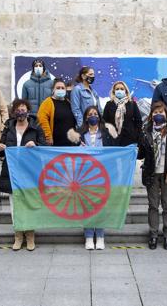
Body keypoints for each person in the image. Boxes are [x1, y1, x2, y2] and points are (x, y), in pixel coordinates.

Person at [0, 99, 47, 251]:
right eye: (18, 109)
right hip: (12, 171)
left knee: (29, 204)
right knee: (15, 206)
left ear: (28, 110)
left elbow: (44, 147)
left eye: (23, 108)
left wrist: (36, 145)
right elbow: (1, 147)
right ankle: (18, 236)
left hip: (29, 172)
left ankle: (30, 235)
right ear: (14, 112)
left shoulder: (36, 126)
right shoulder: (8, 126)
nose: (21, 111)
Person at [68, 106, 118, 250]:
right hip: (85, 175)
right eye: (90, 114)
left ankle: (100, 236)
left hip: (102, 174)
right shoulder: (79, 134)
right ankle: (89, 236)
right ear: (86, 117)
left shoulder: (107, 132)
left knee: (101, 205)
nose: (93, 116)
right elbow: (72, 154)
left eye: (95, 114)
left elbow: (113, 151)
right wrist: (78, 147)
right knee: (87, 206)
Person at [137, 101, 167, 250]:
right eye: (155, 113)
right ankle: (153, 234)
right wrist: (135, 148)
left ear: (166, 114)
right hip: (151, 173)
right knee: (153, 205)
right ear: (151, 115)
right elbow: (141, 154)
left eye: (161, 112)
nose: (158, 115)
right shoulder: (146, 131)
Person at [37, 78, 76, 146]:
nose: (60, 89)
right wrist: (48, 136)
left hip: (70, 143)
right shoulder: (47, 102)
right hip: (55, 143)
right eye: (58, 88)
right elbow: (42, 120)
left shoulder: (69, 102)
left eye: (62, 88)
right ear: (53, 90)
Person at [103, 81, 143, 146]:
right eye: (117, 89)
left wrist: (136, 134)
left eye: (122, 89)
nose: (119, 91)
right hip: (113, 139)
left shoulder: (132, 104)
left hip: (130, 138)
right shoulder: (109, 104)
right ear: (113, 91)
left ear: (126, 91)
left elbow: (138, 121)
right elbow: (105, 121)